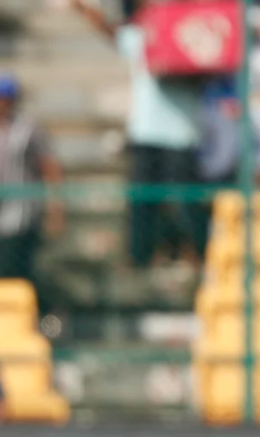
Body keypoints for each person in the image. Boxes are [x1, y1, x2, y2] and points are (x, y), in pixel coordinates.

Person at [72, 0, 203, 268]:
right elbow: (112, 32)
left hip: (181, 133)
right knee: (142, 201)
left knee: (187, 202)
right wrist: (81, 8)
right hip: (147, 133)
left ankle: (199, 254)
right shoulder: (144, 36)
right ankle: (140, 258)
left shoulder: (191, 34)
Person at [0, 74, 63, 283]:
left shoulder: (28, 131)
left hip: (21, 215)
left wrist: (55, 208)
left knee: (17, 273)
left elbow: (49, 167)